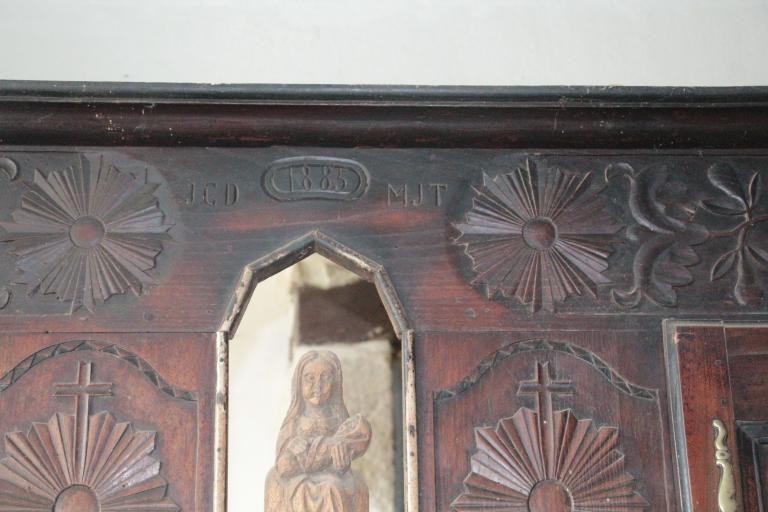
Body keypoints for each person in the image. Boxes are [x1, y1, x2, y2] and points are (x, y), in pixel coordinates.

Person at [265, 350, 372, 512]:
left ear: (335, 383)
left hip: (330, 478)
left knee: (333, 486)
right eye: (310, 378)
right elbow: (282, 462)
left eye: (325, 378)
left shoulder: (340, 422)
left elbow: (344, 461)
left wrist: (341, 464)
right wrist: (291, 447)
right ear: (299, 383)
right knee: (275, 478)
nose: (318, 386)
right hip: (298, 477)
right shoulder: (293, 422)